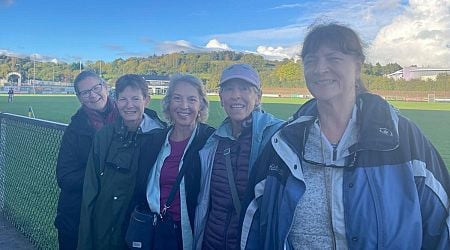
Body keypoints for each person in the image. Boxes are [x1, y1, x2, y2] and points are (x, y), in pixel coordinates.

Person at [242, 23, 450, 250]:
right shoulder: (283, 143)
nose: (320, 69)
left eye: (333, 58)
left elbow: (441, 222)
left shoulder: (403, 139)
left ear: (358, 66)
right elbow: (254, 223)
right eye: (311, 61)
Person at [193, 64, 285, 250]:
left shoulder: (279, 137)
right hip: (211, 243)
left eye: (244, 88)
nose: (235, 95)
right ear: (220, 98)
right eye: (228, 89)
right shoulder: (213, 142)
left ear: (258, 96)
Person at [77, 74, 166, 250]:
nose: (129, 105)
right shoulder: (104, 136)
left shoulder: (161, 137)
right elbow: (91, 189)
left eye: (135, 98)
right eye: (123, 99)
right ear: (116, 102)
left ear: (146, 100)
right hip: (103, 228)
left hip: (140, 228)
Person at [132, 74, 215, 250]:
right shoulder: (154, 141)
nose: (184, 106)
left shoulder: (211, 141)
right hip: (156, 231)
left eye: (191, 99)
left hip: (190, 233)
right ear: (169, 103)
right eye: (177, 98)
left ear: (201, 105)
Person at [55, 70, 118, 250]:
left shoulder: (127, 120)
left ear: (105, 87)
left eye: (96, 87)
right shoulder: (75, 130)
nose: (93, 94)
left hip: (114, 217)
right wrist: (102, 177)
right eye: (85, 92)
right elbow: (65, 177)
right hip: (78, 215)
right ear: (80, 98)